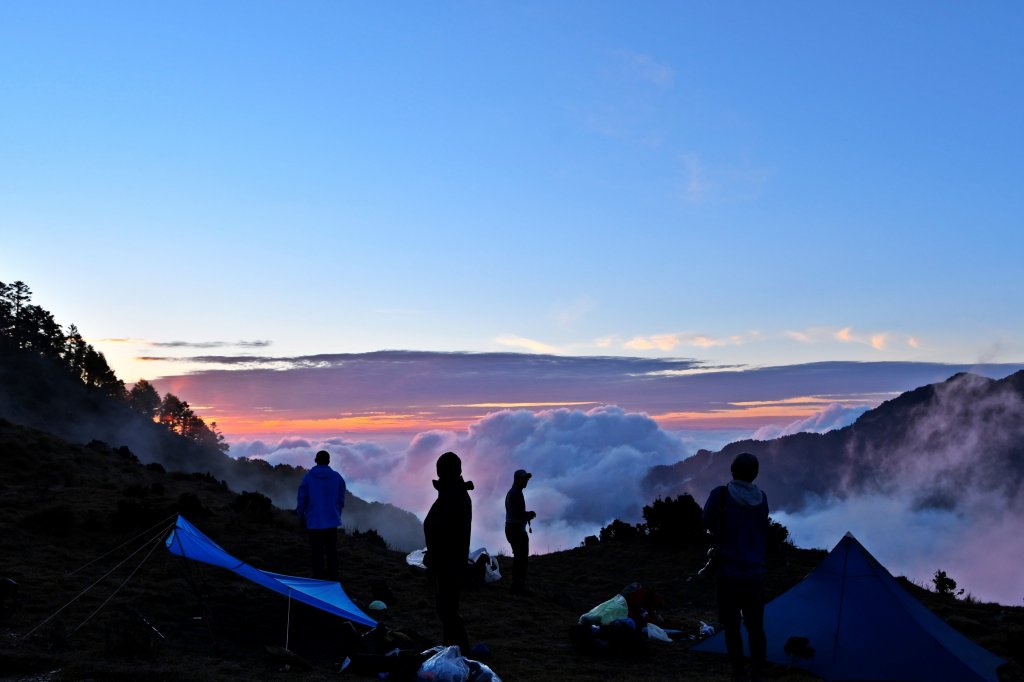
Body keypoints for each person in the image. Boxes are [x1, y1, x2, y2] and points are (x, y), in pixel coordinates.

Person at [703, 452, 769, 682]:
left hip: (728, 573)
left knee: (731, 626)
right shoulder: (762, 499)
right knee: (755, 626)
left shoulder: (720, 496)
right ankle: (758, 671)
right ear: (755, 473)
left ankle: (738, 672)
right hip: (755, 573)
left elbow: (706, 522)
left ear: (732, 471)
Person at [423, 451, 473, 652]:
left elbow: (446, 533)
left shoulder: (453, 497)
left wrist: (433, 559)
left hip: (448, 562)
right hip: (450, 561)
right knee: (447, 609)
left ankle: (461, 650)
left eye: (440, 470)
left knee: (448, 610)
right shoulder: (454, 493)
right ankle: (450, 648)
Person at [296, 450, 346, 581]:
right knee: (331, 552)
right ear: (329, 461)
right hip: (331, 521)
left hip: (314, 522)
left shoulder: (308, 478)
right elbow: (341, 500)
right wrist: (337, 514)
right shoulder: (337, 478)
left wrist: (301, 515)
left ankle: (318, 578)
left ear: (316, 460)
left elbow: (302, 499)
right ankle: (333, 578)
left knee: (316, 553)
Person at [504, 469, 536, 594]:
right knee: (521, 559)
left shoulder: (513, 492)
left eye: (527, 478)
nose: (526, 481)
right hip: (516, 529)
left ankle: (517, 585)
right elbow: (518, 513)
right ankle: (518, 587)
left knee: (519, 557)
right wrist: (529, 514)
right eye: (524, 478)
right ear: (517, 479)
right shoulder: (516, 493)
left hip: (512, 528)